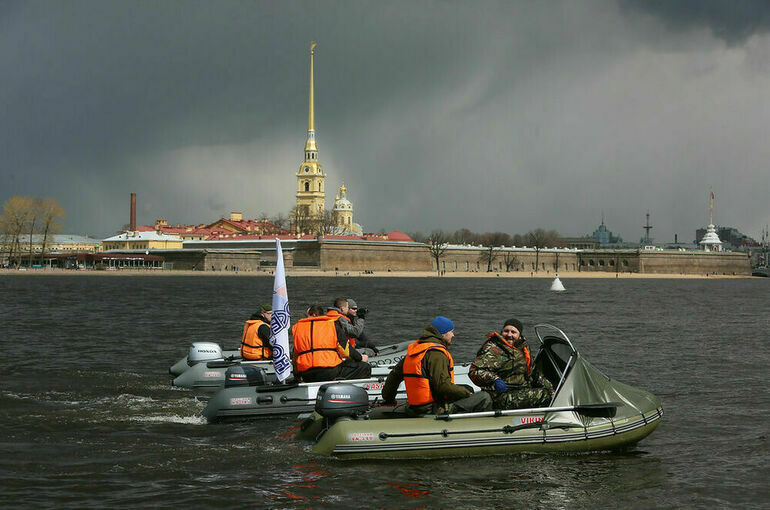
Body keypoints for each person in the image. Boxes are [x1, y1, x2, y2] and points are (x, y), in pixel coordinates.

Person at [382, 317, 492, 415]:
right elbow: (443, 386)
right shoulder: (437, 354)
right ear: (443, 334)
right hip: (432, 408)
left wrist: (389, 400)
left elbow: (393, 378)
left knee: (466, 388)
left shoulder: (415, 351)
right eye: (451, 331)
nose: (453, 335)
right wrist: (468, 394)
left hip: (415, 407)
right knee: (484, 397)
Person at [469, 318, 554, 410]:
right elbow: (474, 371)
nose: (509, 335)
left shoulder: (524, 348)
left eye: (513, 332)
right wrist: (495, 379)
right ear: (502, 332)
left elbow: (534, 373)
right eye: (506, 331)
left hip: (521, 390)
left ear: (519, 335)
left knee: (552, 393)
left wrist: (551, 389)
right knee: (544, 395)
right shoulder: (492, 348)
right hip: (499, 396)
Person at [292, 304, 372, 382]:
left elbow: (295, 356)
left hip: (307, 375)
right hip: (329, 371)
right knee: (364, 367)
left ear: (313, 315)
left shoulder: (297, 328)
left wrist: (297, 377)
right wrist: (360, 358)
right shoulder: (333, 325)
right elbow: (346, 351)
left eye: (306, 316)